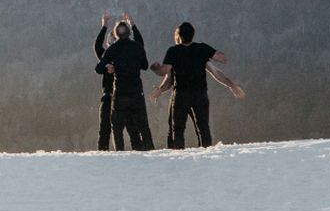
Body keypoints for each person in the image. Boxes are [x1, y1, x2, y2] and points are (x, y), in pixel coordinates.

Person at [151, 22, 233, 148]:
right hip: (199, 94)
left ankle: (177, 155)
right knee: (203, 128)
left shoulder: (173, 52)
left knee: (177, 129)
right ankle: (206, 154)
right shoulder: (202, 49)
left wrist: (155, 69)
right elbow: (217, 69)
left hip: (181, 95)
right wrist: (231, 84)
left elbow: (165, 73)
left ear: (178, 35)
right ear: (193, 34)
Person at [96, 17, 155, 150]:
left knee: (117, 127)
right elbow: (145, 65)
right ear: (129, 33)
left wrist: (109, 67)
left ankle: (120, 152)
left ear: (116, 34)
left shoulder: (112, 50)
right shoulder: (137, 47)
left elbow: (98, 69)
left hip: (120, 93)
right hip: (136, 92)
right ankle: (150, 150)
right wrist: (133, 25)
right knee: (143, 126)